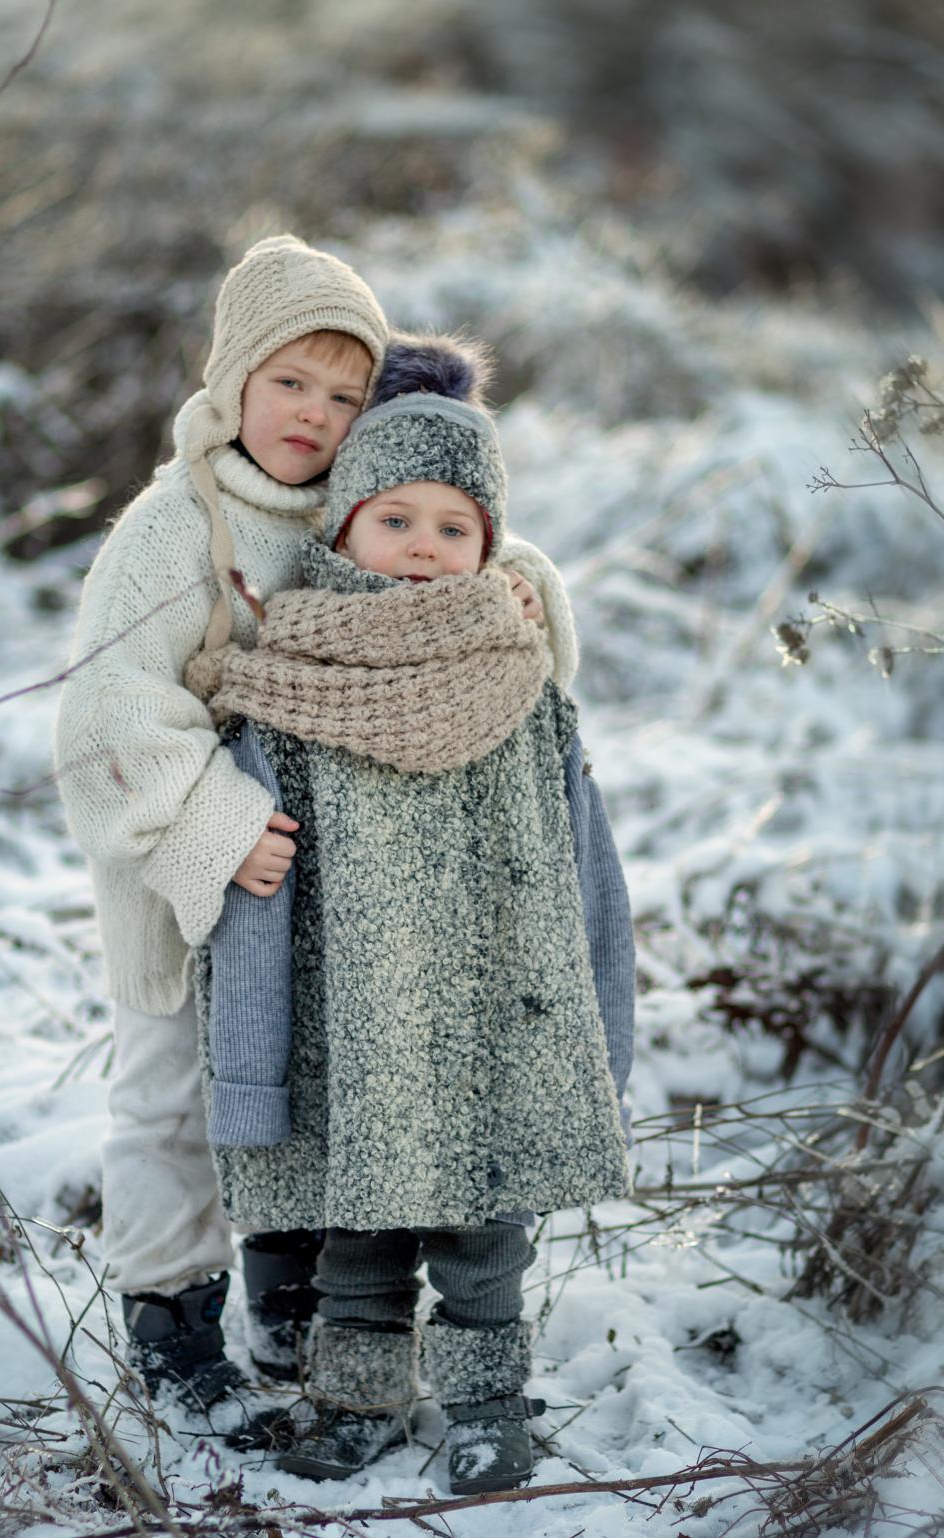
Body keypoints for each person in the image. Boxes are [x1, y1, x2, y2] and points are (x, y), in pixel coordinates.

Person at [50, 240, 582, 1439]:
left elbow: (482, 562)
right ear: (234, 374)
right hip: (194, 875)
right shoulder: (173, 526)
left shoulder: (359, 505)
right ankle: (171, 1317)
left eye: (346, 394)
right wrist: (217, 826)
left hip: (323, 904)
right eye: (292, 382)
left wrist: (526, 594)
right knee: (176, 1096)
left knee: (304, 1091)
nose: (316, 415)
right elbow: (109, 715)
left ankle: (294, 1304)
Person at [186, 334, 634, 1492]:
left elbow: (586, 867)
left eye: (454, 527)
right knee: (359, 1236)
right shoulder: (287, 695)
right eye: (396, 520)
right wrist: (252, 1059)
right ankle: (356, 1395)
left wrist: (598, 1026)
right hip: (357, 1025)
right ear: (340, 531)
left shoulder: (523, 686)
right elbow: (252, 900)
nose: (425, 548)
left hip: (497, 1014)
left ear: (493, 547)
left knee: (489, 1235)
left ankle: (490, 1397)